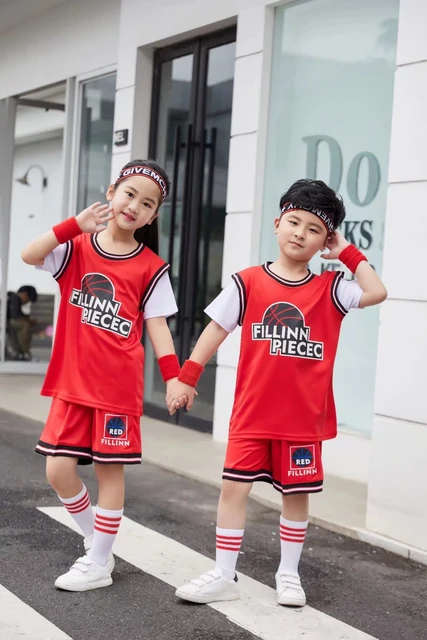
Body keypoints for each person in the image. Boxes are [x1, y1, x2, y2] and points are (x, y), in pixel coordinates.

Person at [169, 179, 387, 607]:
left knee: (296, 495)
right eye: (294, 221)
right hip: (252, 414)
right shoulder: (247, 282)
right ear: (277, 223)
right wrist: (187, 376)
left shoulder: (331, 289)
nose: (300, 233)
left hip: (302, 420)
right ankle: (224, 573)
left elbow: (377, 291)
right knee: (233, 489)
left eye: (313, 229)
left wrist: (346, 253)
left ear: (325, 240)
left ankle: (288, 573)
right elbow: (215, 330)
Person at [21, 159, 186, 592]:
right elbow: (29, 254)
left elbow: (157, 328)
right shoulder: (76, 248)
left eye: (147, 203)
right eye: (129, 193)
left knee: (110, 472)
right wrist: (73, 224)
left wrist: (174, 378)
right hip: (71, 385)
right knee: (58, 471)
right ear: (112, 191)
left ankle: (97, 561)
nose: (135, 206)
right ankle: (97, 541)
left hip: (116, 390)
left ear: (153, 216)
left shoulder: (151, 267)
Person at [7, 285, 38, 360]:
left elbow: (18, 314)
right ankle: (25, 352)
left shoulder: (14, 298)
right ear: (25, 294)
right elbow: (16, 316)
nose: (26, 302)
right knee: (25, 326)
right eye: (28, 299)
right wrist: (28, 321)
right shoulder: (15, 298)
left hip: (7, 322)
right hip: (6, 321)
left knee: (23, 326)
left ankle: (21, 352)